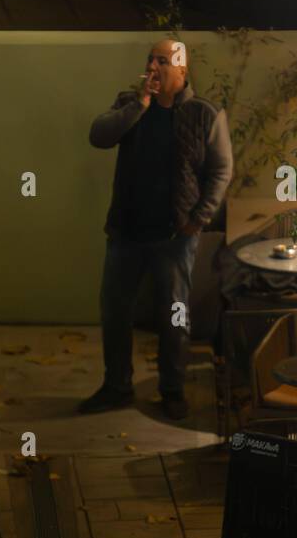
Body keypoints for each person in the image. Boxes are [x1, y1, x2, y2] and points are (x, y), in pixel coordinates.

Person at [81, 39, 233, 419]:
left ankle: (172, 389)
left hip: (174, 235)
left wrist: (199, 218)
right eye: (150, 59)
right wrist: (139, 105)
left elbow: (220, 171)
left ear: (182, 70)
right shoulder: (130, 104)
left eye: (162, 61)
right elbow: (99, 136)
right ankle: (116, 386)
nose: (153, 67)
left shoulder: (204, 113)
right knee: (114, 311)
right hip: (126, 232)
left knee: (174, 315)